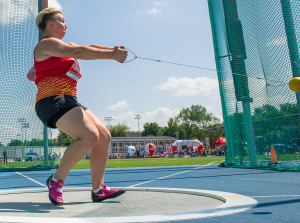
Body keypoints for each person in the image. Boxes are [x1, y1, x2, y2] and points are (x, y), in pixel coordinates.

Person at [28, 8, 128, 205]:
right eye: (62, 21)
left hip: (68, 100)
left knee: (104, 136)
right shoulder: (46, 45)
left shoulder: (64, 47)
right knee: (89, 136)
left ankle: (98, 190)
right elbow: (79, 52)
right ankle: (56, 181)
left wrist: (112, 50)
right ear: (50, 25)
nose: (66, 25)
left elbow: (86, 46)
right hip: (51, 100)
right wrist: (112, 56)